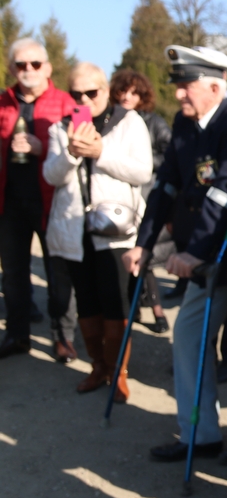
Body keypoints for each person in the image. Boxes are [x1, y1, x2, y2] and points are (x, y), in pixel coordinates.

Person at [123, 45, 227, 462]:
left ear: (215, 87)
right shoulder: (185, 124)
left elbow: (225, 194)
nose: (178, 94)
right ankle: (200, 434)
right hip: (204, 258)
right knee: (188, 337)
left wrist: (196, 253)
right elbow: (166, 185)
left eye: (186, 86)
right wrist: (143, 243)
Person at [43, 63, 152, 401]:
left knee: (115, 302)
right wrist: (72, 154)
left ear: (105, 91)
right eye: (75, 94)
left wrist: (101, 152)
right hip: (74, 229)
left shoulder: (129, 121)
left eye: (91, 92)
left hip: (116, 229)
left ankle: (119, 371)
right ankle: (98, 366)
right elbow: (50, 175)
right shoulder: (61, 127)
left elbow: (142, 171)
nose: (84, 100)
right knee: (87, 302)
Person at [0, 38, 78, 362]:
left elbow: (80, 150)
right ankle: (17, 335)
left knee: (58, 274)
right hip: (9, 204)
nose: (28, 69)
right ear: (11, 68)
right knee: (14, 274)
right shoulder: (3, 102)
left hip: (53, 204)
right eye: (21, 64)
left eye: (35, 63)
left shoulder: (68, 102)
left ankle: (63, 337)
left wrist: (41, 147)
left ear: (47, 68)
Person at [109, 69, 172, 334]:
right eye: (123, 91)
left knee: (142, 255)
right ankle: (134, 309)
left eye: (134, 92)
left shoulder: (153, 122)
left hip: (146, 195)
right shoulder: (112, 119)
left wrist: (142, 161)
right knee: (129, 257)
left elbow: (171, 156)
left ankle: (157, 312)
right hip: (118, 199)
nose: (127, 96)